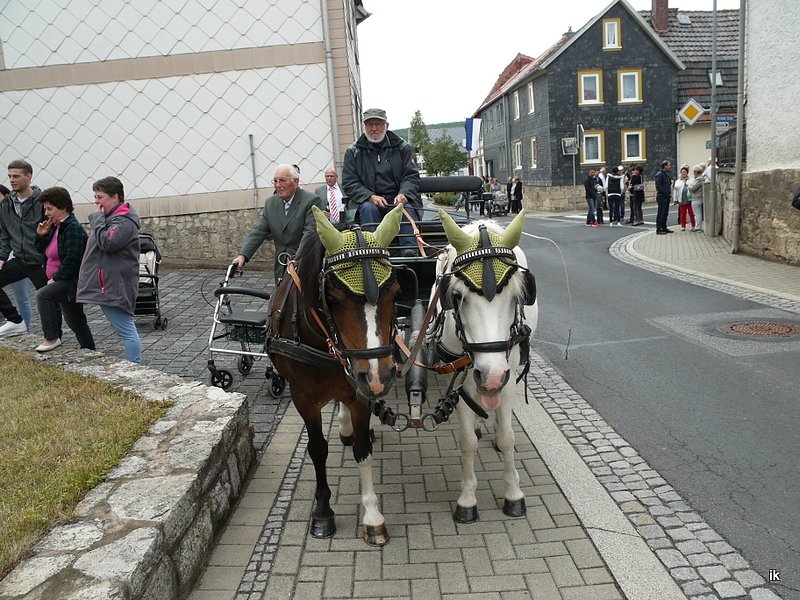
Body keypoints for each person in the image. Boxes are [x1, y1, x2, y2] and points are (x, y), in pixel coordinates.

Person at [76, 177, 142, 363]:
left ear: (115, 197)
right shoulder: (111, 218)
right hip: (109, 283)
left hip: (114, 285)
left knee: (126, 329)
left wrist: (96, 219)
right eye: (95, 197)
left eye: (100, 197)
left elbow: (108, 243)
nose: (96, 202)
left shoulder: (123, 222)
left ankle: (135, 366)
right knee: (125, 328)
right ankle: (134, 365)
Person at [342, 108, 420, 254]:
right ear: (364, 127)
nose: (374, 128)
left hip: (397, 199)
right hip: (368, 201)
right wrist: (370, 196)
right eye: (370, 124)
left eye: (378, 124)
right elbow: (349, 182)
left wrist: (404, 194)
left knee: (403, 209)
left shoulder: (402, 148)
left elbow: (411, 176)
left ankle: (410, 253)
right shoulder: (353, 152)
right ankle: (374, 253)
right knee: (368, 209)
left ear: (386, 126)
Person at [233, 164, 323, 281]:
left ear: (295, 182)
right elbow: (259, 231)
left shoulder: (311, 200)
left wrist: (296, 260)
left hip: (305, 266)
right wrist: (242, 256)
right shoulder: (270, 203)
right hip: (281, 268)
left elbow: (309, 234)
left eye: (282, 180)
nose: (278, 185)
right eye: (275, 181)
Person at [34, 187, 95, 352]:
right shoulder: (55, 226)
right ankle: (88, 349)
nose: (46, 213)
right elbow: (41, 251)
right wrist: (40, 235)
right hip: (62, 280)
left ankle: (52, 338)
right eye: (45, 209)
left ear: (62, 207)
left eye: (49, 209)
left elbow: (73, 259)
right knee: (75, 320)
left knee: (44, 295)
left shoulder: (72, 228)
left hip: (71, 281)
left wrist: (56, 278)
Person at [0, 160, 48, 337]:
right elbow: (5, 233)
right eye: (10, 176)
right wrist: (2, 257)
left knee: (49, 302)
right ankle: (15, 321)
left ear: (28, 176)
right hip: (20, 260)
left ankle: (53, 337)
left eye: (16, 176)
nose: (12, 180)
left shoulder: (42, 201)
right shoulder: (6, 204)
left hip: (40, 262)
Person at [0, 184, 33, 331]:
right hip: (5, 259)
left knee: (22, 298)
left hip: (22, 258)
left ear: (7, 196)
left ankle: (25, 328)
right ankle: (16, 323)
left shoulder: (14, 212)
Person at [688, 162, 710, 232]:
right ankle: (699, 226)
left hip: (696, 198)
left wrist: (689, 186)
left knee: (697, 213)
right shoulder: (702, 178)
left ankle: (698, 227)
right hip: (699, 197)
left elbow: (692, 188)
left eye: (694, 172)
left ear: (696, 172)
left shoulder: (699, 179)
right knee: (699, 213)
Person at [672, 165, 696, 232]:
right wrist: (675, 200)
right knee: (682, 214)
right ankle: (683, 226)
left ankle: (693, 225)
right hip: (681, 199)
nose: (683, 174)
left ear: (687, 173)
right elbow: (675, 191)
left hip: (690, 199)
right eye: (682, 172)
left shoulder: (691, 180)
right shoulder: (678, 181)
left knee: (691, 213)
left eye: (684, 172)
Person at [654, 160, 673, 234]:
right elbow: (658, 186)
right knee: (661, 213)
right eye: (669, 165)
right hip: (662, 196)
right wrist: (665, 193)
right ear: (665, 166)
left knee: (665, 213)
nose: (670, 166)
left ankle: (664, 227)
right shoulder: (659, 175)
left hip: (666, 196)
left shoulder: (666, 175)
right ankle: (659, 229)